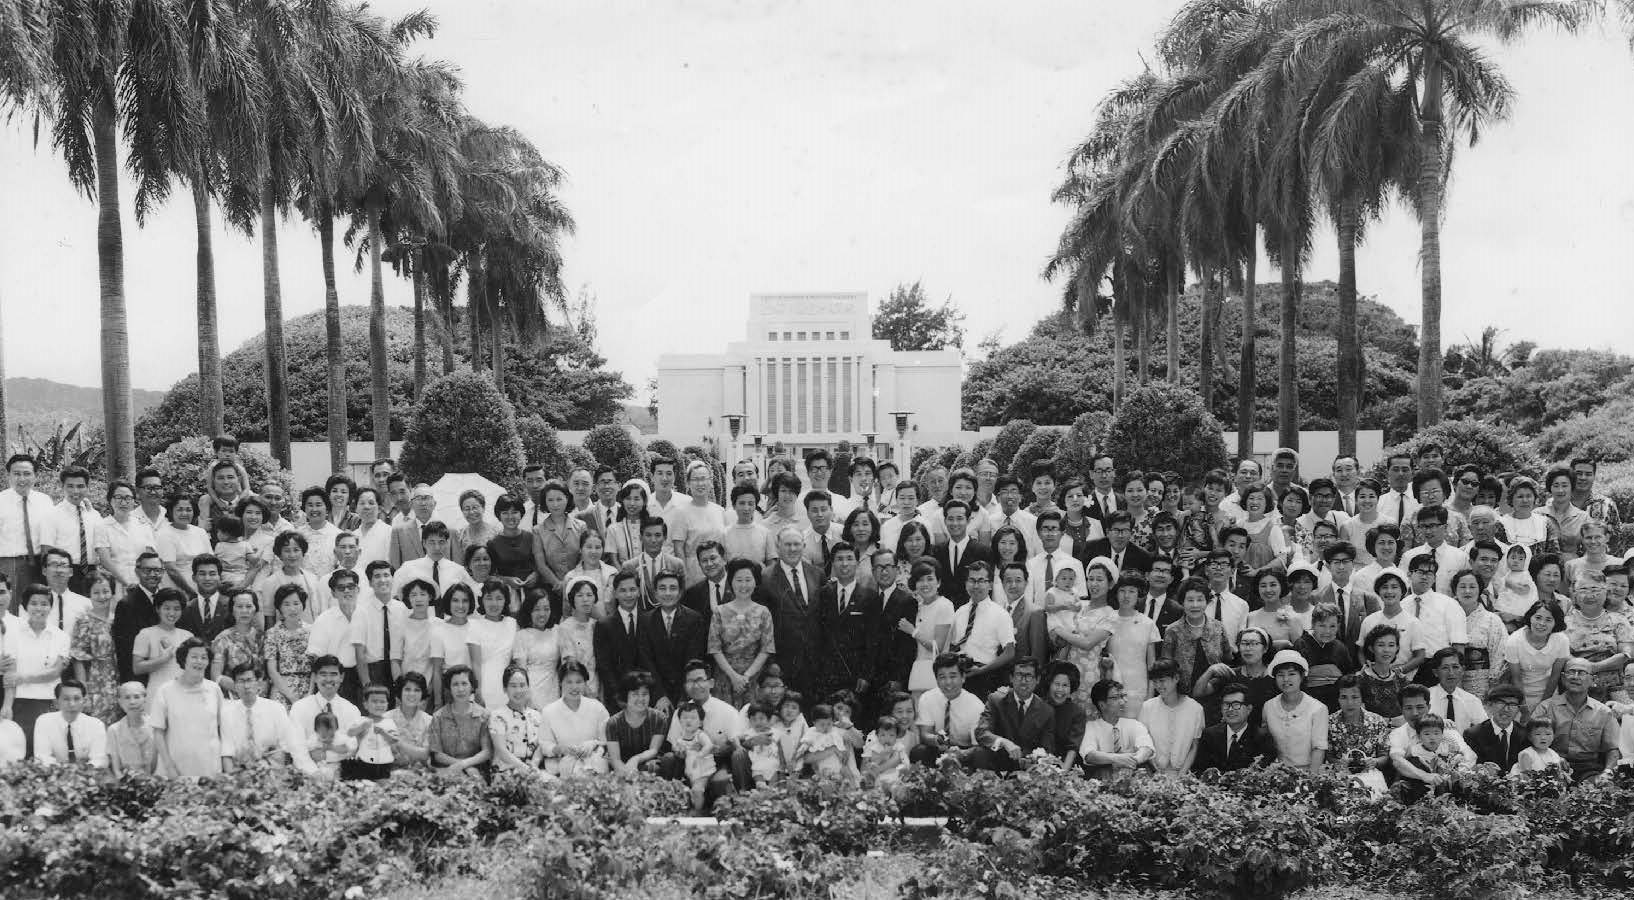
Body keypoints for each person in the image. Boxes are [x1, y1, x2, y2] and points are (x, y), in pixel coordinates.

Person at [1530, 657, 1621, 780]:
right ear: (1562, 678)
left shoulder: (1604, 712)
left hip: (1590, 770)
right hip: (1552, 766)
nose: (1575, 677)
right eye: (1571, 672)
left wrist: (1608, 772)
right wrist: (1552, 758)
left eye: (1582, 673)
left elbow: (1613, 749)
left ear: (1593, 680)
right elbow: (1530, 741)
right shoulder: (1545, 708)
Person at [149, 637, 227, 777]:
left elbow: (223, 729)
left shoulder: (214, 689)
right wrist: (169, 766)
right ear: (183, 659)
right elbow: (158, 733)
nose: (199, 661)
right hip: (175, 770)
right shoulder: (165, 691)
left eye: (203, 657)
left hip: (209, 768)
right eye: (194, 657)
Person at [967, 658, 1055, 772]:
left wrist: (1032, 759)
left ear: (1037, 679)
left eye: (1029, 676)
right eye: (1019, 675)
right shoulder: (996, 700)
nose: (1023, 681)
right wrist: (1004, 742)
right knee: (980, 753)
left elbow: (1047, 749)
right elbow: (981, 732)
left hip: (1027, 769)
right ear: (1011, 678)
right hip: (997, 762)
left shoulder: (1046, 711)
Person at [638, 572, 708, 711]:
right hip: (656, 693)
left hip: (687, 691)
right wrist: (660, 695)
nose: (668, 593)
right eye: (662, 588)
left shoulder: (694, 619)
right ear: (655, 593)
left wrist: (685, 696)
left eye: (673, 588)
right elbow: (645, 660)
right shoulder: (645, 620)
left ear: (681, 592)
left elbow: (693, 659)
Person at [1161, 578, 1235, 699]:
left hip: (1215, 695)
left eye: (1200, 599)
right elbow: (1166, 669)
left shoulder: (1218, 628)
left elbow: (1227, 662)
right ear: (1182, 602)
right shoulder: (1172, 631)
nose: (1195, 605)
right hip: (1182, 698)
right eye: (1190, 600)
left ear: (1207, 601)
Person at [219, 663, 299, 769]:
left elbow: (286, 745)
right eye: (241, 681)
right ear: (235, 685)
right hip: (239, 771)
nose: (246, 686)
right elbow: (227, 751)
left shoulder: (276, 709)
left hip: (272, 769)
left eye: (249, 680)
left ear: (258, 683)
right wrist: (232, 779)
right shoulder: (227, 712)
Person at [1194, 626, 1275, 729]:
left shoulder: (1274, 676)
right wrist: (1210, 671)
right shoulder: (1231, 674)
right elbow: (1198, 693)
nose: (1248, 648)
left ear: (1265, 648)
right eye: (1244, 643)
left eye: (1254, 643)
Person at [911, 652, 984, 766]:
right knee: (919, 751)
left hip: (964, 750)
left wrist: (961, 753)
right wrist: (936, 740)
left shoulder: (976, 705)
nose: (948, 682)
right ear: (936, 679)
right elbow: (925, 734)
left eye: (953, 676)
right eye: (942, 677)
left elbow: (977, 745)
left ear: (963, 677)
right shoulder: (927, 698)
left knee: (980, 754)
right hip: (939, 747)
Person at [1263, 649, 1328, 772]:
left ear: (1302, 676)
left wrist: (1311, 780)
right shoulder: (1268, 706)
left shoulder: (1318, 708)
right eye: (1280, 675)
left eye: (1292, 674)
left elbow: (1319, 748)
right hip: (1277, 773)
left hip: (1308, 772)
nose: (1286, 679)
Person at [1326, 674, 1391, 795]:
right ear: (1338, 698)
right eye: (1344, 697)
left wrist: (1374, 762)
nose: (1349, 702)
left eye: (1355, 697)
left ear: (1362, 698)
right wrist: (1339, 763)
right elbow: (1328, 755)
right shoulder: (1329, 722)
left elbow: (1385, 756)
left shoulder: (1377, 721)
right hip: (1340, 779)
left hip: (1371, 780)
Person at [68, 571, 120, 720]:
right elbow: (78, 658)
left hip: (119, 677)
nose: (102, 596)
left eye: (105, 591)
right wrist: (83, 691)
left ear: (112, 592)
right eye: (96, 592)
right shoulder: (84, 621)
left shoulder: (119, 618)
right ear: (88, 594)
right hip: (96, 680)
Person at [1501, 599, 1571, 711]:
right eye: (1538, 618)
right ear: (1530, 618)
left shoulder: (1562, 640)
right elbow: (1516, 679)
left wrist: (1543, 705)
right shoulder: (1514, 641)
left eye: (1548, 620)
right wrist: (1523, 708)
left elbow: (1555, 677)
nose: (1542, 624)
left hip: (1549, 693)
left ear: (1555, 623)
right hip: (1520, 695)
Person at [43, 465, 104, 593]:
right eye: (70, 486)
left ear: (87, 487)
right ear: (62, 487)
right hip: (63, 572)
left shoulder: (93, 515)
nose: (75, 491)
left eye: (80, 486)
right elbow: (46, 551)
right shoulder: (52, 515)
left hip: (91, 573)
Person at [1078, 678, 1154, 780]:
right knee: (1102, 771)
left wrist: (1133, 761)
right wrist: (1117, 758)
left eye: (1123, 696)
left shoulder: (1134, 724)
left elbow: (1147, 748)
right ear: (1102, 704)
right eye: (1115, 698)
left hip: (1133, 775)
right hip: (1104, 780)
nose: (1123, 702)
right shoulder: (1091, 727)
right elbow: (1089, 755)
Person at [1138, 659, 1203, 776]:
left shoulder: (1195, 708)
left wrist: (1181, 776)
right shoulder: (1147, 707)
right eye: (1155, 681)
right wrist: (1156, 772)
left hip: (1183, 774)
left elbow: (1194, 746)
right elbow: (1144, 743)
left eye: (1162, 681)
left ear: (1176, 678)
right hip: (1153, 774)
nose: (1158, 686)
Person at [1193, 681, 1275, 773]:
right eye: (1226, 705)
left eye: (1236, 704)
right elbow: (1199, 770)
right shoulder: (1209, 735)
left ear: (1249, 709)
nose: (1230, 709)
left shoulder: (1261, 738)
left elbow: (1264, 775)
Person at [0, 454, 53, 594]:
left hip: (40, 563)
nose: (22, 479)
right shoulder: (1, 501)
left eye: (27, 474)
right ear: (8, 476)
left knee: (39, 606)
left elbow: (52, 532)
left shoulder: (45, 501)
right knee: (12, 611)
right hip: (9, 564)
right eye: (16, 474)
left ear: (35, 475)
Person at [428, 664, 491, 778]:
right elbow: (437, 755)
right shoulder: (438, 717)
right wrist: (462, 766)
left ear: (472, 687)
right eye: (455, 684)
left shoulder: (484, 715)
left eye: (464, 683)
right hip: (446, 771)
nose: (460, 689)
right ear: (449, 688)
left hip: (476, 772)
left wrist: (465, 764)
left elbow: (487, 751)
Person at [604, 670, 668, 776]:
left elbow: (653, 750)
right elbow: (615, 759)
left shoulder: (659, 718)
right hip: (621, 766)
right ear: (625, 696)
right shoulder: (613, 723)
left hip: (647, 763)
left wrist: (636, 759)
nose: (641, 699)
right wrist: (626, 772)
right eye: (635, 694)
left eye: (645, 694)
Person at [98, 481, 157, 595]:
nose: (123, 502)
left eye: (128, 498)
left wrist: (144, 582)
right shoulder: (102, 526)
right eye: (118, 497)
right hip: (115, 584)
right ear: (110, 500)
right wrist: (127, 583)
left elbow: (151, 557)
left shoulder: (144, 525)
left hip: (143, 583)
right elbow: (106, 561)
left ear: (134, 501)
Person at [32, 679, 107, 767]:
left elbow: (99, 759)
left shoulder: (96, 725)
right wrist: (64, 771)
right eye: (66, 699)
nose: (72, 704)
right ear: (56, 703)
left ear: (84, 701)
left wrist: (82, 772)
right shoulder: (44, 722)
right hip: (54, 774)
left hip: (87, 774)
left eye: (77, 698)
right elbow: (42, 757)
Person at [467, 581, 519, 709]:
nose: (494, 603)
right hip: (484, 684)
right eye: (489, 598)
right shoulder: (474, 625)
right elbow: (476, 663)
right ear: (482, 601)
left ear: (505, 600)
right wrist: (478, 690)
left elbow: (516, 659)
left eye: (499, 598)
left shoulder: (512, 624)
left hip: (508, 685)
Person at [488, 665, 546, 775]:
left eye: (522, 685)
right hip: (505, 771)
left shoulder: (537, 715)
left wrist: (534, 765)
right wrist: (524, 768)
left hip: (532, 769)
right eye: (513, 686)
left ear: (528, 687)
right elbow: (501, 750)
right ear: (505, 689)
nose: (518, 690)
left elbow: (540, 745)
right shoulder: (497, 716)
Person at [133, 589, 192, 695]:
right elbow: (137, 668)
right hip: (157, 692)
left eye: (177, 609)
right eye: (167, 608)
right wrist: (164, 659)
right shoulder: (146, 634)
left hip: (183, 692)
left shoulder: (187, 636)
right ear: (157, 609)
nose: (172, 613)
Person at [209, 589, 265, 698]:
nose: (244, 611)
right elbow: (215, 676)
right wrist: (244, 689)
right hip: (232, 698)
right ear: (232, 610)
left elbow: (267, 674)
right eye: (239, 607)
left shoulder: (263, 637)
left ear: (255, 609)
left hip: (260, 698)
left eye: (249, 606)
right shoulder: (222, 639)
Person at [265, 584, 313, 708]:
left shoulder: (313, 631)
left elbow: (316, 667)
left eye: (296, 603)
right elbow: (272, 670)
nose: (292, 609)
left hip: (309, 687)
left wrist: (310, 693)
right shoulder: (272, 633)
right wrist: (291, 697)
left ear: (303, 605)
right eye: (286, 604)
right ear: (279, 608)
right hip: (282, 687)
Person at [1463, 683, 1526, 772]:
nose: (1506, 709)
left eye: (1512, 704)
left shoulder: (1525, 734)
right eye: (1501, 703)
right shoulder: (1473, 734)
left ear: (1519, 709)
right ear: (1489, 705)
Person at [1357, 624, 1411, 725]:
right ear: (1371, 648)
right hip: (1371, 733)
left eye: (1391, 645)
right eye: (1381, 645)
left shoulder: (1402, 680)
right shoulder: (1361, 679)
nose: (1386, 650)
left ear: (1397, 648)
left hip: (1400, 733)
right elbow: (1359, 715)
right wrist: (1390, 721)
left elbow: (1410, 712)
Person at [1426, 648, 1487, 734]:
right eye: (1445, 668)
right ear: (1436, 672)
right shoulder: (1425, 697)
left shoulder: (1472, 700)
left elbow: (1485, 730)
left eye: (1455, 667)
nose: (1451, 673)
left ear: (1462, 670)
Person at [105, 681, 158, 776]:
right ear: (120, 702)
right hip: (126, 784)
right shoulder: (113, 730)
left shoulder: (156, 726)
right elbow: (116, 769)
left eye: (137, 697)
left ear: (145, 699)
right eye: (127, 697)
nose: (132, 702)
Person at [1042, 661, 1088, 768]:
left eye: (1065, 685)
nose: (1060, 690)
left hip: (1066, 764)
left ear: (1071, 688)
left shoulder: (1077, 712)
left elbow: (1073, 747)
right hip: (1039, 761)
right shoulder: (1039, 706)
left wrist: (1063, 771)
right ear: (1049, 684)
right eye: (1057, 684)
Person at [385, 672, 433, 770]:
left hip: (421, 775)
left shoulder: (429, 721)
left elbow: (426, 754)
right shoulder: (386, 719)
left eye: (417, 690)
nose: (412, 694)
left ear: (422, 693)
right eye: (407, 689)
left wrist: (398, 743)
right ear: (400, 692)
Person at [861, 715, 907, 790]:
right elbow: (868, 762)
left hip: (893, 774)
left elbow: (897, 760)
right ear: (877, 735)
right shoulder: (874, 746)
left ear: (897, 736)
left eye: (891, 735)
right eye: (883, 735)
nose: (887, 738)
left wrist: (878, 768)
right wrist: (882, 755)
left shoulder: (897, 745)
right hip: (877, 777)